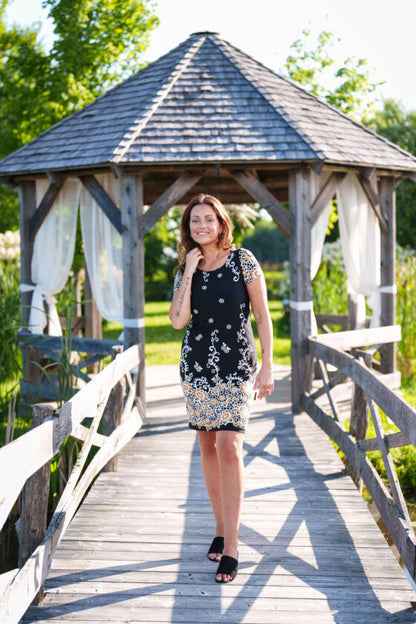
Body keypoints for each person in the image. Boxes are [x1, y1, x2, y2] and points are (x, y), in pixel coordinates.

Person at [169, 194, 274, 583]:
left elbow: (262, 316)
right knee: (208, 446)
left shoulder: (243, 261)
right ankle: (219, 526)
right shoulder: (185, 268)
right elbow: (179, 321)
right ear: (189, 228)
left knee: (230, 445)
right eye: (195, 220)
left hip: (236, 367)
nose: (202, 226)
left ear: (221, 223)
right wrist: (191, 272)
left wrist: (268, 365)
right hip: (196, 368)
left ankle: (232, 544)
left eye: (208, 219)